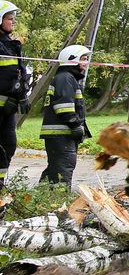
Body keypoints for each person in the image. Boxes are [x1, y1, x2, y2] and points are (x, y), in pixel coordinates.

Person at [40, 45, 89, 187]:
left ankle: (42, 195)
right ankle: (59, 201)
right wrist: (75, 124)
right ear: (72, 60)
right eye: (84, 59)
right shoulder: (66, 78)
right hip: (61, 133)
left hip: (60, 134)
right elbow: (63, 107)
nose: (86, 63)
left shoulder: (67, 78)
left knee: (55, 168)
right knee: (63, 167)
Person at [0, 0, 30, 191]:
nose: (13, 22)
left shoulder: (11, 45)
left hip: (8, 109)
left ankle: (0, 187)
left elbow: (18, 74)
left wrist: (22, 97)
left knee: (9, 146)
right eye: (10, 18)